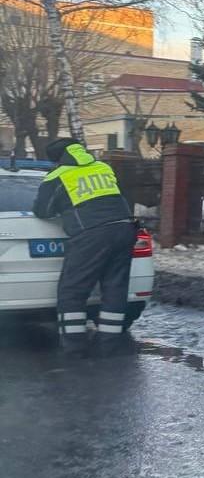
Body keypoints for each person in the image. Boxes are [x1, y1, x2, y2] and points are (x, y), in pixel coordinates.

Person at [32, 138, 136, 355]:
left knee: (72, 290)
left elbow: (42, 211)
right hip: (124, 228)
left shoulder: (57, 176)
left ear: (57, 159)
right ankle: (108, 345)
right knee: (115, 288)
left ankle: (74, 346)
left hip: (92, 234)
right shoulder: (103, 167)